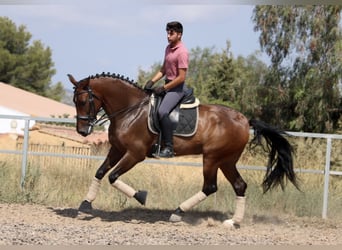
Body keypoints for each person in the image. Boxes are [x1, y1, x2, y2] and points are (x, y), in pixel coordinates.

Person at [144, 21, 189, 158]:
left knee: (162, 111)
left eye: (171, 33)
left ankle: (169, 147)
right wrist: (151, 81)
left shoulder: (182, 52)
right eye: (167, 33)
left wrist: (164, 88)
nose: (168, 36)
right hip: (167, 85)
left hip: (177, 89)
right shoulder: (168, 48)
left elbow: (181, 78)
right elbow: (163, 69)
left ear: (179, 35)